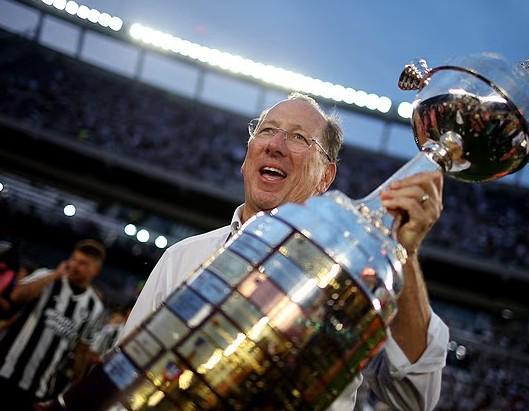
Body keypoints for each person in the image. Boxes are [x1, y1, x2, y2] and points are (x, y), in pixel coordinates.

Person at [122, 92, 449, 410]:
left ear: (325, 176)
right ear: (247, 157)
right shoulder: (181, 258)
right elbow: (122, 382)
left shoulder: (354, 280)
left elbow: (415, 396)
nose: (274, 145)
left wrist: (406, 252)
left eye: (298, 137)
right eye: (266, 130)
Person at [0, 239, 106, 411]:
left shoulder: (94, 307)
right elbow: (16, 296)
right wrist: (55, 275)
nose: (74, 266)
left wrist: (74, 386)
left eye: (82, 263)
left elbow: (81, 350)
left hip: (38, 388)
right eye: (73, 259)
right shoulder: (46, 277)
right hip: (4, 369)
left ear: (95, 270)